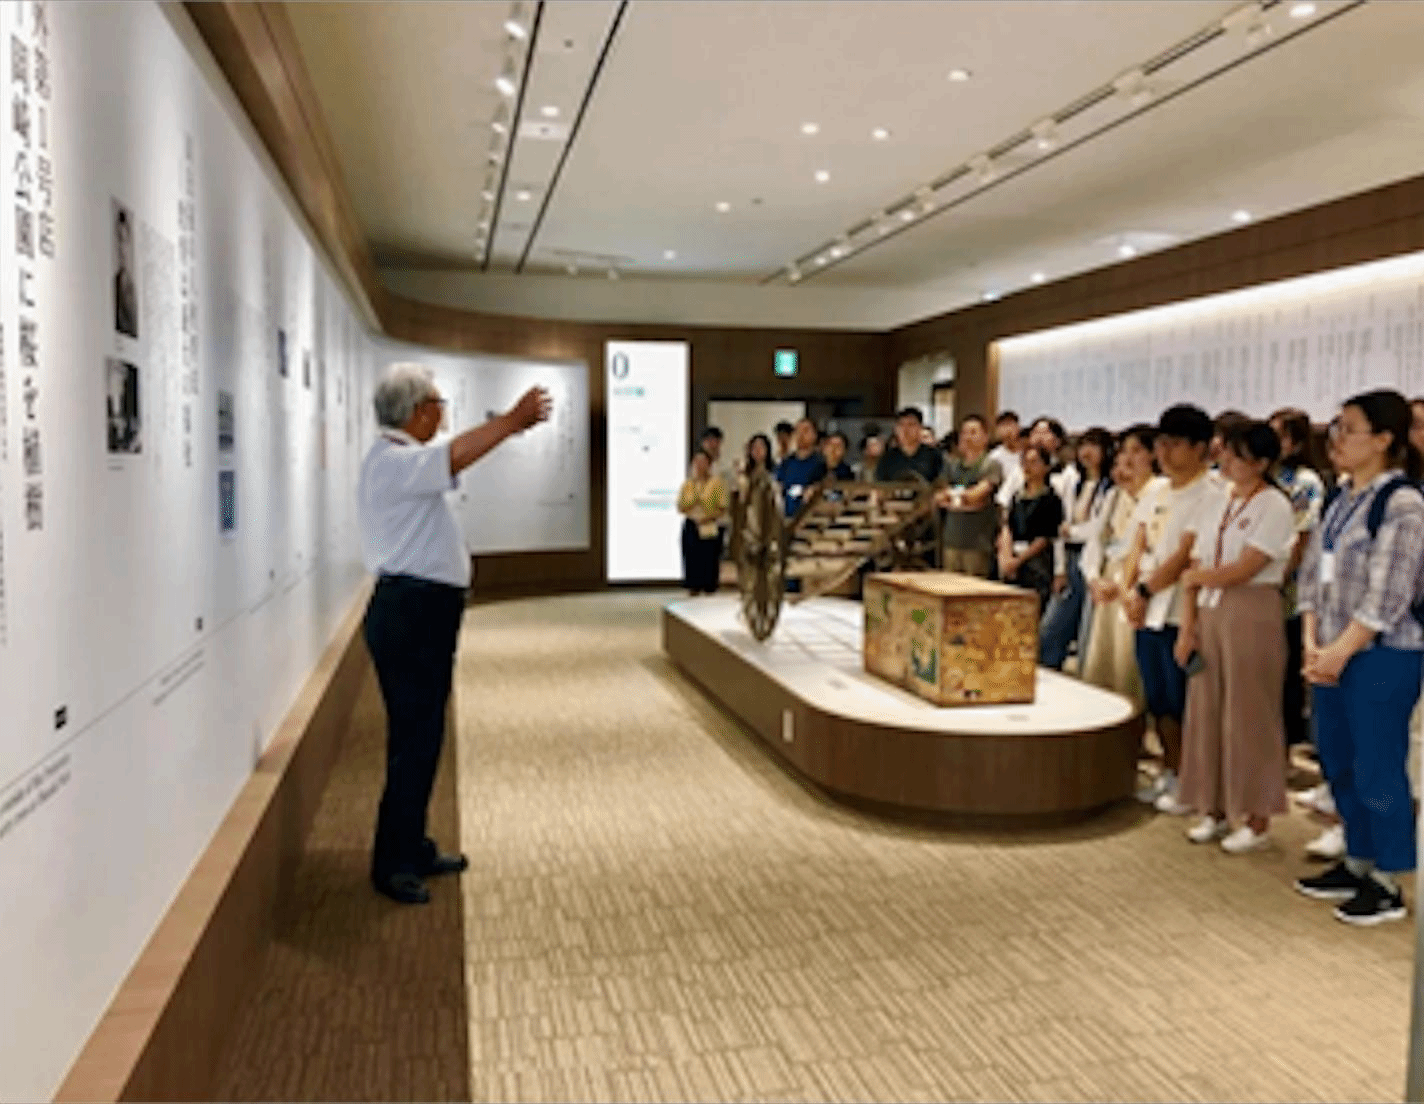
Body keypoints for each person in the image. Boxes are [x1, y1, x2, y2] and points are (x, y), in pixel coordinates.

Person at [358, 363, 550, 905]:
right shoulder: (395, 462)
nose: (443, 413)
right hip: (411, 615)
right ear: (419, 411)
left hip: (419, 613)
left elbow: (451, 457)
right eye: (438, 404)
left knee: (423, 737)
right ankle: (393, 862)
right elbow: (457, 454)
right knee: (413, 741)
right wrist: (510, 421)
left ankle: (411, 844)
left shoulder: (397, 462)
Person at [1295, 390, 1424, 925]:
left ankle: (1389, 880)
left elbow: (1388, 597)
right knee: (1338, 760)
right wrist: (1312, 643)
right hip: (1331, 651)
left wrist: (1339, 651)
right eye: (1336, 428)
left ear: (1384, 439)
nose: (1337, 440)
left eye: (1348, 429)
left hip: (1382, 657)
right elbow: (1311, 576)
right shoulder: (1340, 496)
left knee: (1377, 766)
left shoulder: (1402, 503)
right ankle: (1358, 858)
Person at [1175, 420, 1295, 853]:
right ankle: (1213, 808)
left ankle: (1256, 818)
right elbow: (1195, 563)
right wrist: (1187, 626)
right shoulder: (1217, 499)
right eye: (1225, 451)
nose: (1225, 461)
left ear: (1261, 462)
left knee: (1249, 713)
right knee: (1206, 710)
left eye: (1237, 454)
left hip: (1252, 610)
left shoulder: (1275, 505)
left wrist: (1196, 578)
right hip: (1210, 609)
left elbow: (1246, 567)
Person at [1122, 404, 1226, 815]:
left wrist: (1144, 589)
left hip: (1182, 610)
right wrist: (1129, 591)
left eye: (1174, 443)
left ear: (1201, 448)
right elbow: (1137, 543)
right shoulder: (1157, 490)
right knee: (1158, 696)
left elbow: (1185, 554)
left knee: (1185, 698)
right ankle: (1170, 769)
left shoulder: (1212, 492)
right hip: (1146, 607)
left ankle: (1192, 779)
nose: (1164, 452)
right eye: (1161, 443)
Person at [1081, 426, 1163, 707]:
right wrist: (1093, 577)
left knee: (1129, 662)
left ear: (1153, 454)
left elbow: (1152, 547)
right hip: (1108, 581)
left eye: (1136, 451)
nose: (1128, 459)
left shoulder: (1159, 491)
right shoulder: (1114, 495)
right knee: (1104, 659)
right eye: (1124, 452)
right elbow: (1096, 540)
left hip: (1136, 584)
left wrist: (1125, 583)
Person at [1041, 426, 1113, 669]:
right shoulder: (1074, 484)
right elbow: (1060, 527)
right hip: (1071, 557)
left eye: (1093, 446)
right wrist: (1059, 568)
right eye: (1083, 445)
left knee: (1088, 629)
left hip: (1095, 559)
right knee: (1052, 627)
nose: (1086, 452)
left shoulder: (1109, 488)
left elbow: (1099, 528)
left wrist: (1072, 531)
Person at [998, 444, 1064, 611]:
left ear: (1046, 467)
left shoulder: (1051, 499)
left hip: (1037, 563)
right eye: (1024, 462)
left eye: (1034, 462)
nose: (1028, 467)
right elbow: (1007, 526)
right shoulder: (1017, 496)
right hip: (1013, 557)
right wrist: (1007, 557)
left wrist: (1019, 561)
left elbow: (1045, 537)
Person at [936, 413, 1002, 578]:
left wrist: (954, 499)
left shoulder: (991, 465)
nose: (967, 437)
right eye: (964, 432)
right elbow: (939, 497)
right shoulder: (952, 465)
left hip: (977, 543)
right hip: (951, 540)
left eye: (973, 432)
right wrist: (964, 501)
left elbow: (976, 495)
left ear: (985, 437)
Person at [678, 449, 728, 595]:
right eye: (697, 462)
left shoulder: (717, 483)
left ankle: (709, 589)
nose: (700, 465)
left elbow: (723, 507)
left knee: (708, 560)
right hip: (692, 524)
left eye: (703, 462)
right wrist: (692, 508)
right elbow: (680, 506)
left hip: (709, 525)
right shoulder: (688, 484)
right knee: (691, 559)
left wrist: (708, 517)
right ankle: (693, 588)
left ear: (709, 464)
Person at [775, 418, 828, 518]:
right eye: (798, 431)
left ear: (814, 435)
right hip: (787, 517)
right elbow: (778, 486)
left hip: (810, 517)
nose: (801, 435)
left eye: (805, 431)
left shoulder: (821, 462)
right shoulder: (787, 462)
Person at [876, 406, 944, 482]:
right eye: (901, 425)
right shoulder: (887, 458)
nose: (905, 430)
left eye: (911, 425)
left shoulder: (934, 456)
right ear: (896, 429)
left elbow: (942, 483)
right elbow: (880, 485)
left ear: (920, 427)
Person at [114, 207, 138, 339]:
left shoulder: (133, 288)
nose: (121, 248)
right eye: (118, 239)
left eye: (123, 240)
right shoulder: (115, 282)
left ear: (129, 243)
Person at [988, 410, 1023, 488]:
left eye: (1010, 424)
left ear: (1018, 427)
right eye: (1003, 425)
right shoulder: (994, 456)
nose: (1007, 429)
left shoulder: (1028, 452)